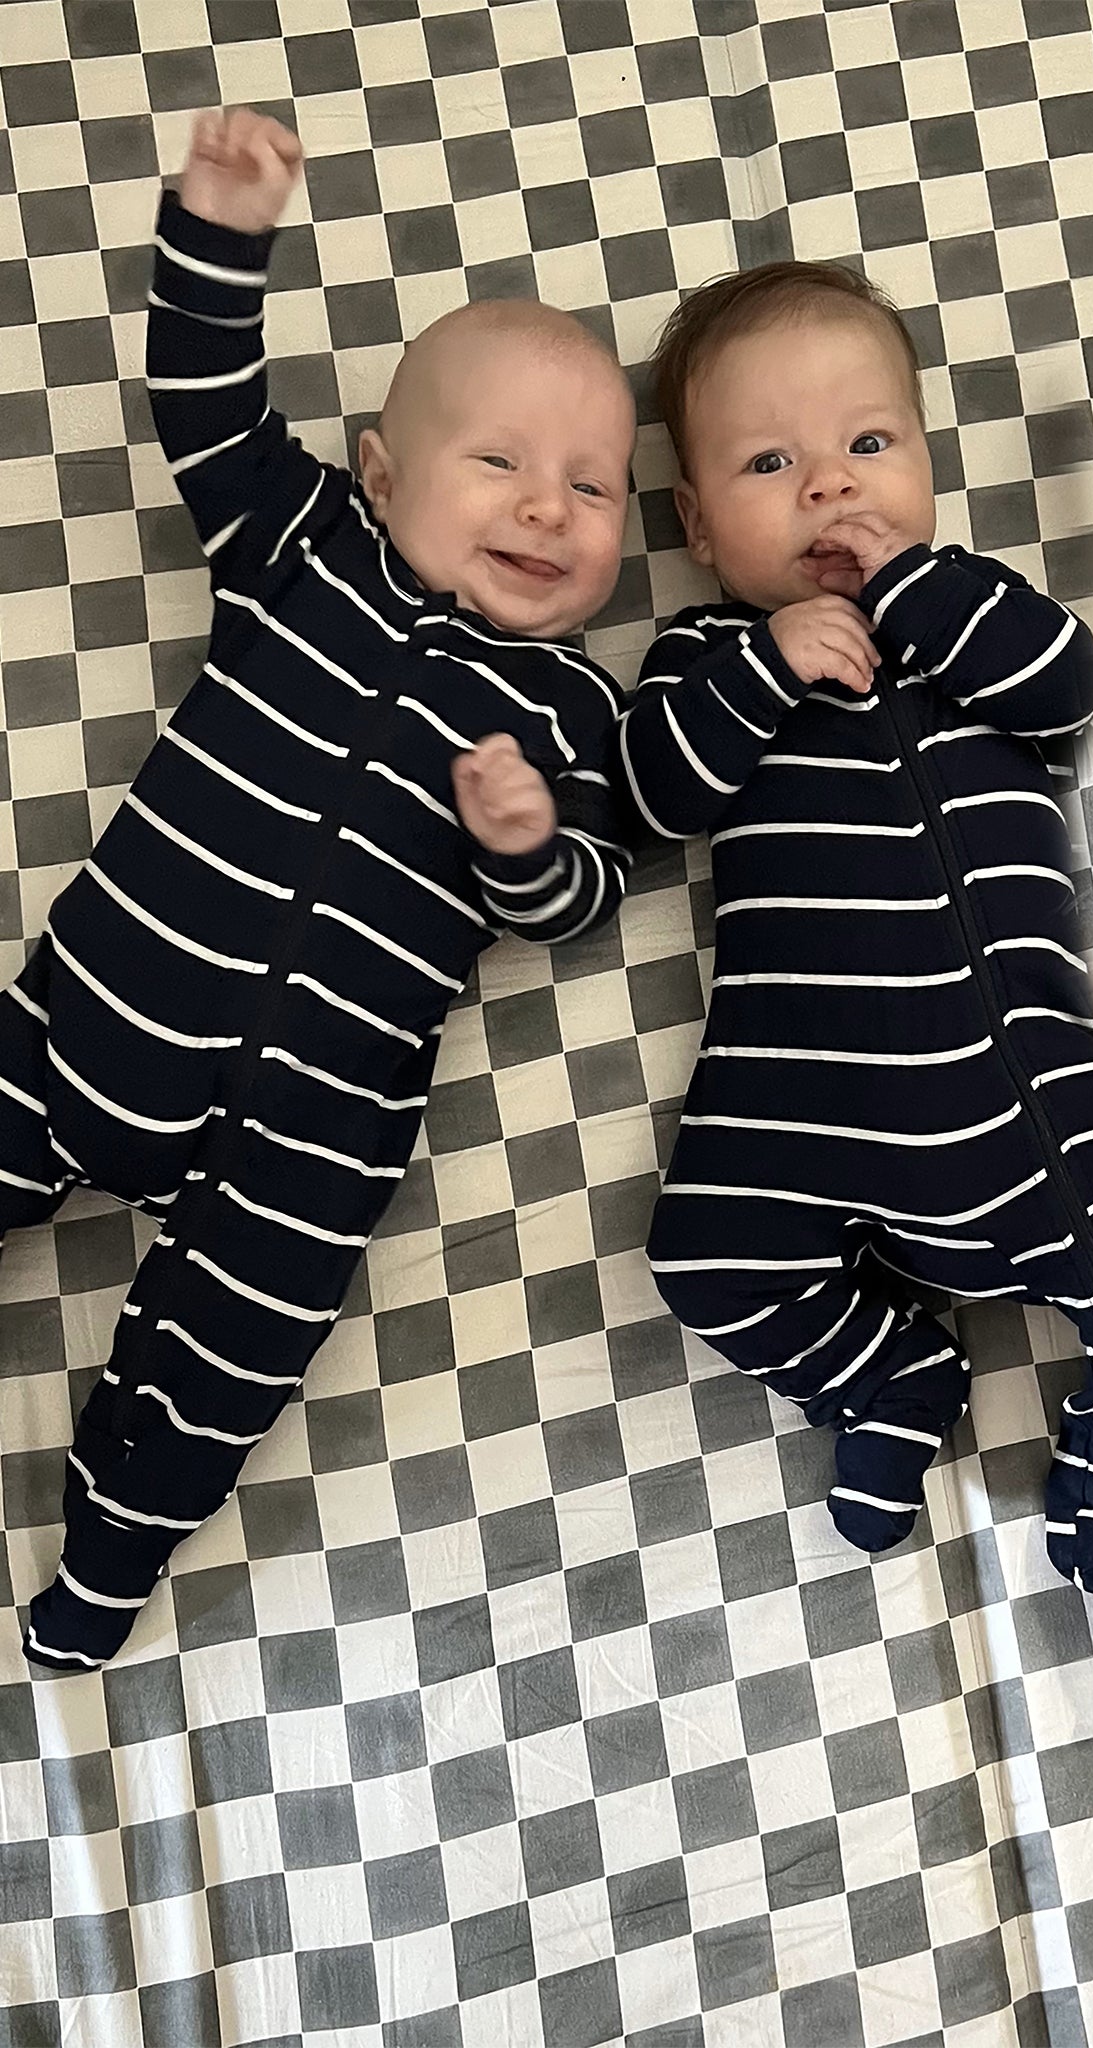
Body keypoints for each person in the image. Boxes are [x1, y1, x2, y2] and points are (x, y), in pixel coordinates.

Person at [13, 109, 636, 1671]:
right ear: (379, 471)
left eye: (600, 487)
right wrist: (219, 237)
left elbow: (587, 893)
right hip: (107, 1004)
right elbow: (208, 409)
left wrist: (527, 849)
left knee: (239, 1348)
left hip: (322, 1118)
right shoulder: (302, 545)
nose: (550, 507)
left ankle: (111, 1551)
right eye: (498, 462)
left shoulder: (570, 715)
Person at [619, 259, 1093, 1661]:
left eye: (868, 445)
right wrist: (766, 665)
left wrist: (930, 591)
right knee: (702, 1252)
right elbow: (652, 795)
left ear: (927, 465)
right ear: (699, 525)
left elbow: (1068, 690)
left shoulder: (969, 628)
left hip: (1027, 1092)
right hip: (796, 1098)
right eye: (771, 462)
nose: (829, 486)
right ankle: (885, 1368)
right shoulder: (707, 656)